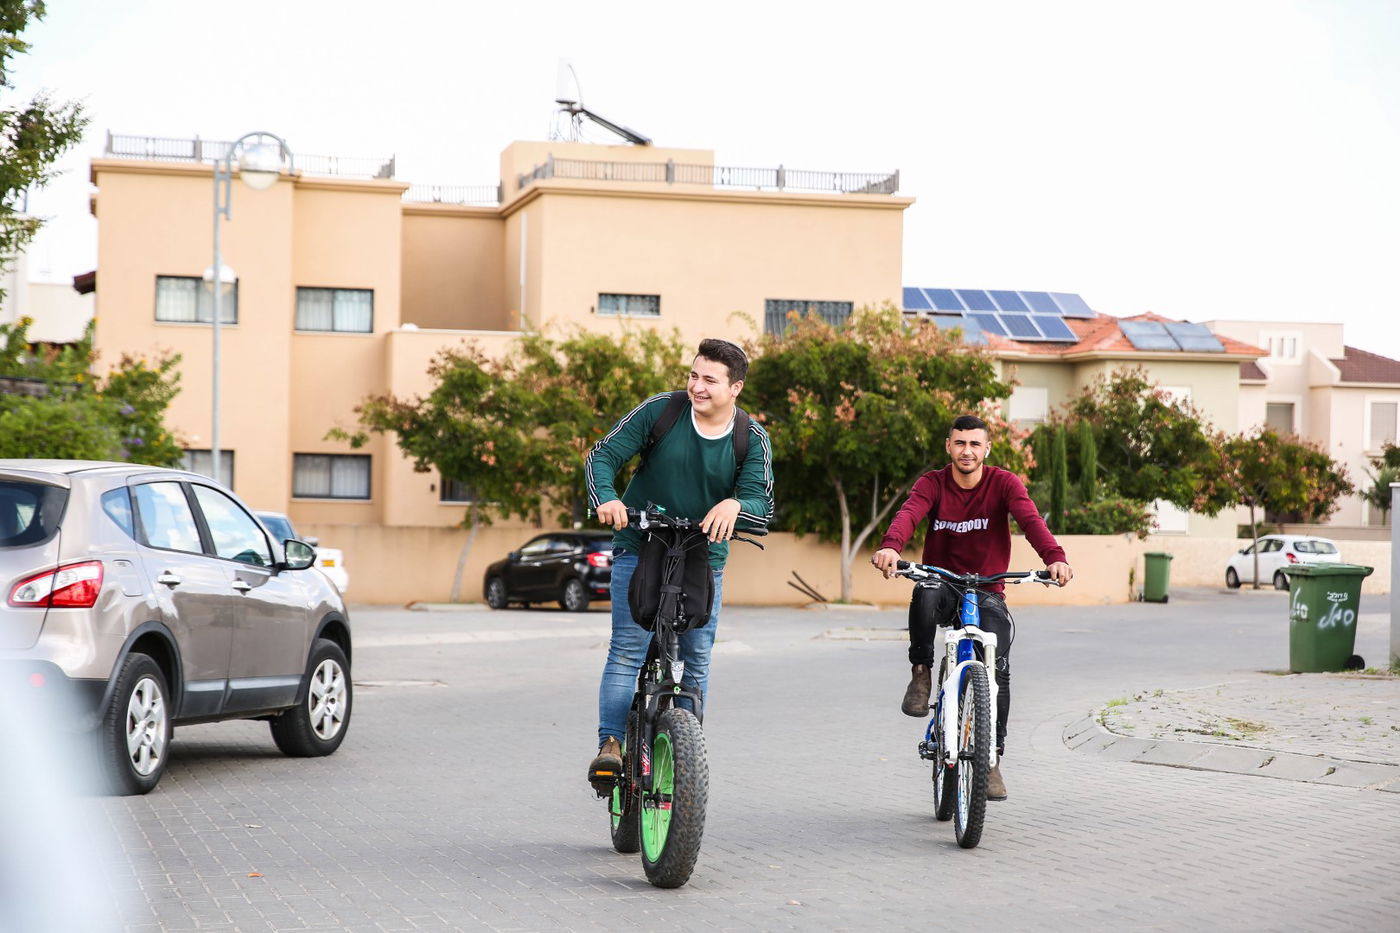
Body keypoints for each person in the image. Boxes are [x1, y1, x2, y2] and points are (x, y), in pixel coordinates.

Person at [582, 338, 773, 795]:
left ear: (735, 388)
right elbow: (602, 455)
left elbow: (761, 502)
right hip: (640, 544)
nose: (697, 387)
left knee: (697, 658)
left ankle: (686, 759)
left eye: (710, 380)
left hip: (702, 557)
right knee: (627, 650)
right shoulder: (662, 412)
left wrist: (735, 504)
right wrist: (607, 498)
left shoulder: (750, 436)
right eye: (694, 375)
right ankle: (611, 745)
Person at [871, 413, 1072, 801]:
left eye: (974, 444)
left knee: (999, 670)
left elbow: (1030, 520)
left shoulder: (1004, 483)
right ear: (949, 446)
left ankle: (991, 758)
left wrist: (1055, 558)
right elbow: (909, 513)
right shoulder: (933, 483)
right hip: (944, 584)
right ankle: (921, 673)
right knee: (925, 591)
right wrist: (891, 547)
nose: (967, 451)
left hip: (988, 590)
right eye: (960, 443)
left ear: (986, 449)